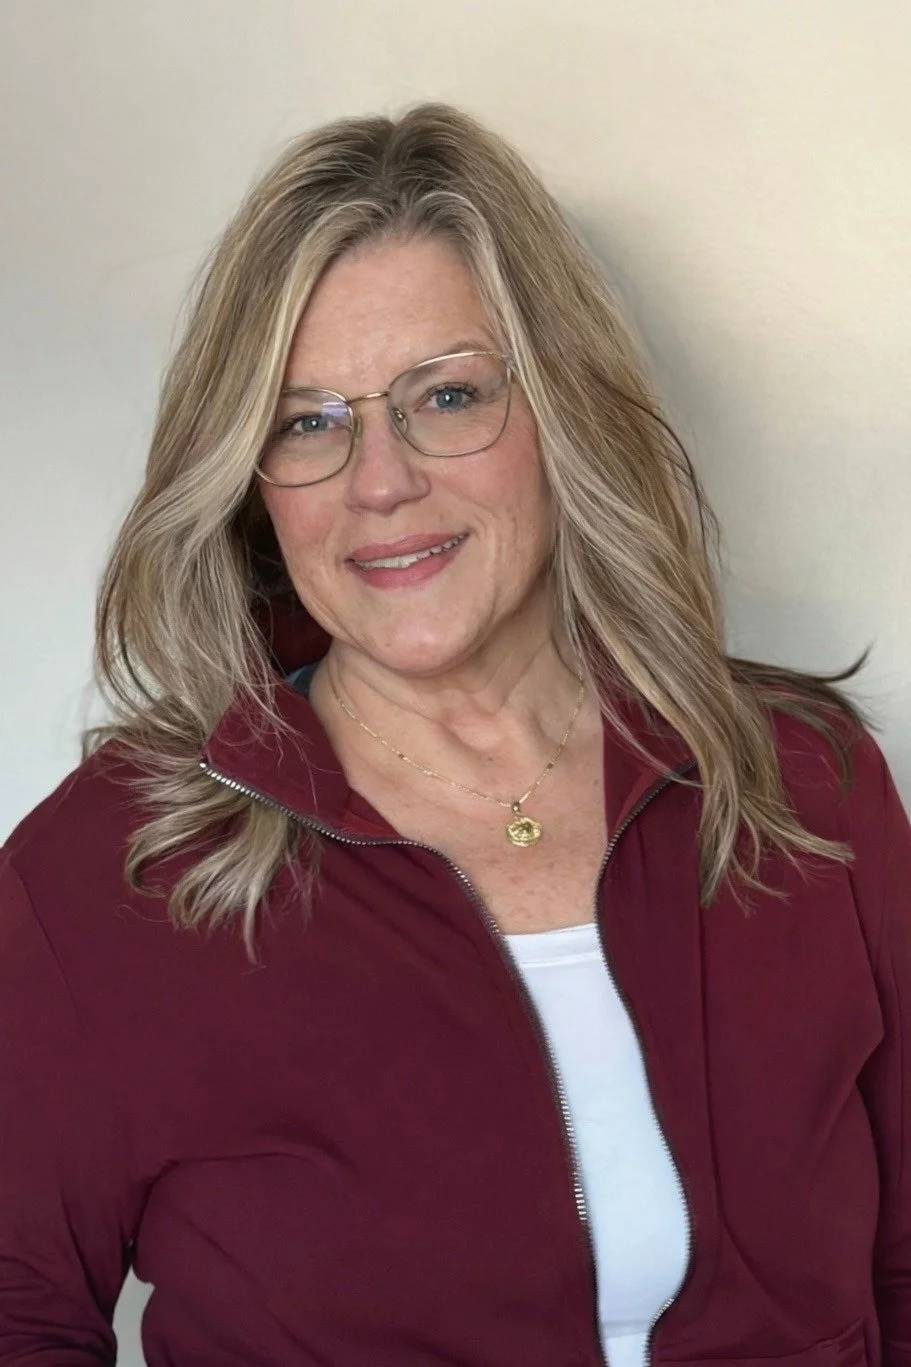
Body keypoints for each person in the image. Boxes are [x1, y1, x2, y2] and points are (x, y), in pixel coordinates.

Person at [1, 102, 908, 1367]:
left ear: (559, 414)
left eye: (446, 394)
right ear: (250, 479)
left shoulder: (803, 781)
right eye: (308, 418)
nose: (380, 480)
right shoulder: (107, 873)